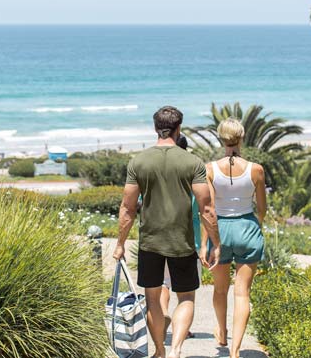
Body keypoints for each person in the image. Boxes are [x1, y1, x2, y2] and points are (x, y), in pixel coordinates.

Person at [113, 106, 221, 358]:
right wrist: (216, 242)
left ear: (155, 128)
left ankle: (160, 350)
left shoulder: (138, 161)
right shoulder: (192, 162)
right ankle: (176, 350)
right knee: (186, 298)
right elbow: (207, 209)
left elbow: (127, 209)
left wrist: (120, 243)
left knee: (152, 300)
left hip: (150, 242)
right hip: (181, 243)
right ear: (178, 128)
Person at [203, 118, 266, 358]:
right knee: (242, 292)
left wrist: (206, 241)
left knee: (220, 290)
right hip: (247, 227)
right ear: (241, 137)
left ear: (221, 138)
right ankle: (236, 350)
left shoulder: (210, 169)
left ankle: (221, 331)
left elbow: (208, 209)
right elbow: (262, 208)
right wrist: (254, 225)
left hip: (218, 230)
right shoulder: (256, 169)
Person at [159, 135, 202, 339]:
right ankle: (182, 329)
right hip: (187, 238)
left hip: (159, 237)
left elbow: (140, 201)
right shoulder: (193, 170)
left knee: (164, 283)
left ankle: (163, 315)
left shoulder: (158, 170)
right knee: (186, 293)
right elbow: (205, 207)